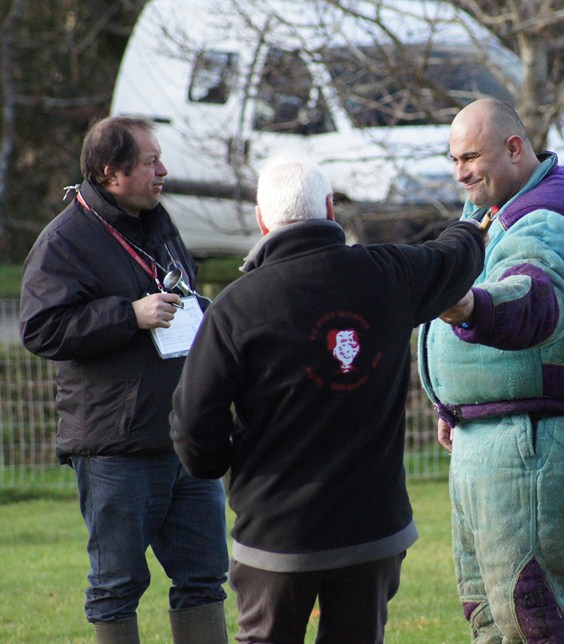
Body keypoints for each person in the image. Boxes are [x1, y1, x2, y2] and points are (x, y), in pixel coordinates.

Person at [169, 158, 486, 643]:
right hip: (373, 531)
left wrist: (228, 465)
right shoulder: (390, 273)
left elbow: (193, 427)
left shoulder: (235, 308)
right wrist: (473, 224)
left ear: (261, 220)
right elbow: (454, 257)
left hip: (276, 535)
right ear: (331, 209)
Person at [418, 98, 564, 643]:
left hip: (539, 449)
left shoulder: (552, 218)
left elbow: (537, 300)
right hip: (495, 442)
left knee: (545, 619)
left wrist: (469, 307)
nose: (461, 171)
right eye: (454, 159)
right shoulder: (494, 211)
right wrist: (452, 405)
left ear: (515, 148)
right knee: (492, 620)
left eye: (471, 157)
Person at [19, 116, 229, 643]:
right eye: (150, 162)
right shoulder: (64, 242)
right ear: (112, 174)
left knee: (204, 579)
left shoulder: (159, 223)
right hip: (116, 450)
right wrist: (126, 315)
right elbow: (41, 329)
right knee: (116, 587)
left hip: (185, 440)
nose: (164, 171)